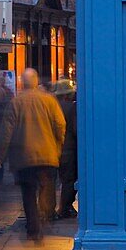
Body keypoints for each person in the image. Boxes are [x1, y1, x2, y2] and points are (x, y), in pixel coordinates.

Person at [0, 68, 65, 244]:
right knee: (46, 188)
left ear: (22, 82)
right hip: (47, 155)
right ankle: (44, 216)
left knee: (28, 194)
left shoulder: (16, 102)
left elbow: (6, 132)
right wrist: (57, 146)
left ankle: (34, 229)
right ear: (36, 81)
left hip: (23, 156)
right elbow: (60, 125)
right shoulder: (49, 100)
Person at [52, 80, 78, 220]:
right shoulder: (72, 108)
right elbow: (75, 129)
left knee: (60, 180)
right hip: (69, 149)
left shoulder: (53, 106)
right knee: (69, 180)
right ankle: (65, 207)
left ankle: (59, 208)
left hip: (55, 149)